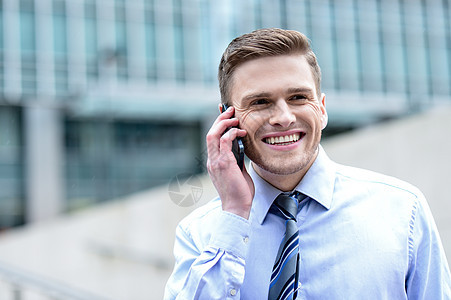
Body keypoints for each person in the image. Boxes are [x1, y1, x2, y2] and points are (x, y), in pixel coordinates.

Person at [164, 28, 451, 299]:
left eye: (298, 97)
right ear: (227, 119)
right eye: (261, 102)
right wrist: (235, 214)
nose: (284, 117)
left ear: (322, 108)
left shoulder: (403, 211)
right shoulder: (201, 233)